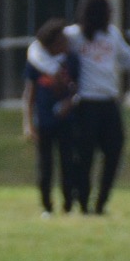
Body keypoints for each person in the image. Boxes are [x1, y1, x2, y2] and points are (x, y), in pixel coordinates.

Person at [60, 0, 130, 215]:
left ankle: (101, 202)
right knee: (85, 156)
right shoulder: (74, 36)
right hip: (85, 103)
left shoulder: (111, 35)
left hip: (109, 103)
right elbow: (46, 46)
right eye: (108, 10)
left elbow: (129, 60)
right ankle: (83, 202)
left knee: (114, 151)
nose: (112, 14)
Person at [22, 19, 82, 215]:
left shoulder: (71, 60)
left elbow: (79, 88)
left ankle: (68, 204)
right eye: (61, 41)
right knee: (45, 166)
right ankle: (46, 205)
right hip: (45, 122)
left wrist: (70, 102)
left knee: (68, 164)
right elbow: (30, 94)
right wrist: (28, 123)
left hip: (67, 121)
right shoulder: (38, 63)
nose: (66, 44)